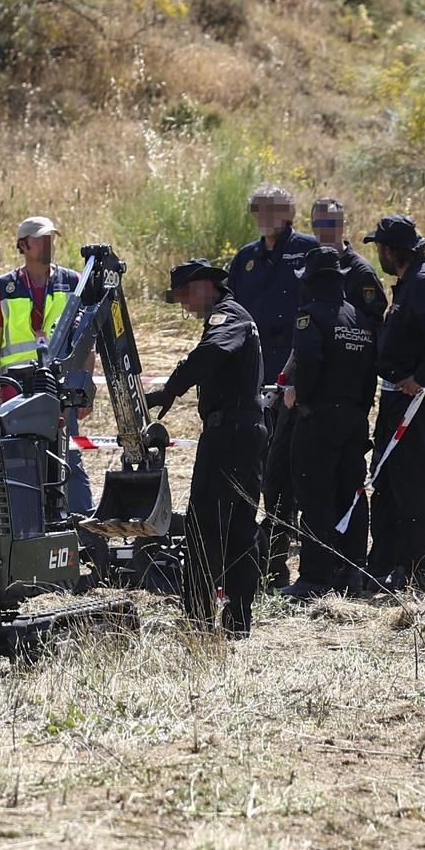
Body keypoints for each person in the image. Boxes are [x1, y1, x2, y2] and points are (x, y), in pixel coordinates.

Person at [143, 260, 265, 637]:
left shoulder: (227, 318)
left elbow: (210, 354)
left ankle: (197, 618)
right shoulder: (236, 316)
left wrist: (171, 388)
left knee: (205, 526)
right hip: (246, 431)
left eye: (185, 294)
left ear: (206, 286)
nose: (184, 304)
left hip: (229, 433)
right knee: (240, 527)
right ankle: (237, 622)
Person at [226, 185, 319, 587]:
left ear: (287, 212)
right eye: (257, 209)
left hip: (295, 381)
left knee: (289, 474)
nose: (263, 215)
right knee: (256, 471)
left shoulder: (309, 251)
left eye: (271, 209)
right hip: (251, 381)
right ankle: (261, 561)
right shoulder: (246, 258)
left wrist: (299, 378)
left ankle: (287, 559)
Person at [280, 247, 377, 599]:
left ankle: (315, 577)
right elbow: (370, 377)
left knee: (315, 494)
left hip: (317, 419)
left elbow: (309, 361)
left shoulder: (310, 316)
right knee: (351, 495)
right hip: (354, 419)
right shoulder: (361, 320)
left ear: (311, 281)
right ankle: (352, 571)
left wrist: (298, 395)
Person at [361, 215, 425, 591]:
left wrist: (424, 377)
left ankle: (417, 571)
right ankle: (384, 564)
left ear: (392, 250)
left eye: (379, 246)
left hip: (413, 402)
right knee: (387, 480)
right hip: (394, 397)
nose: (377, 253)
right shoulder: (408, 284)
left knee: (413, 485)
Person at [0, 215, 95, 513]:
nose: (48, 242)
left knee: (69, 461)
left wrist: (85, 388)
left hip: (60, 387)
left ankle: (82, 532)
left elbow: (86, 341)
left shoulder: (73, 281)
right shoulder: (5, 287)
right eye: (40, 238)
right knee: (21, 464)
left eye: (51, 237)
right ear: (23, 245)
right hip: (16, 390)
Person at [309, 197, 387, 330]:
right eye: (318, 224)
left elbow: (374, 322)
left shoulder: (361, 272)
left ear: (343, 225)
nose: (324, 230)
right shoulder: (311, 265)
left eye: (330, 224)